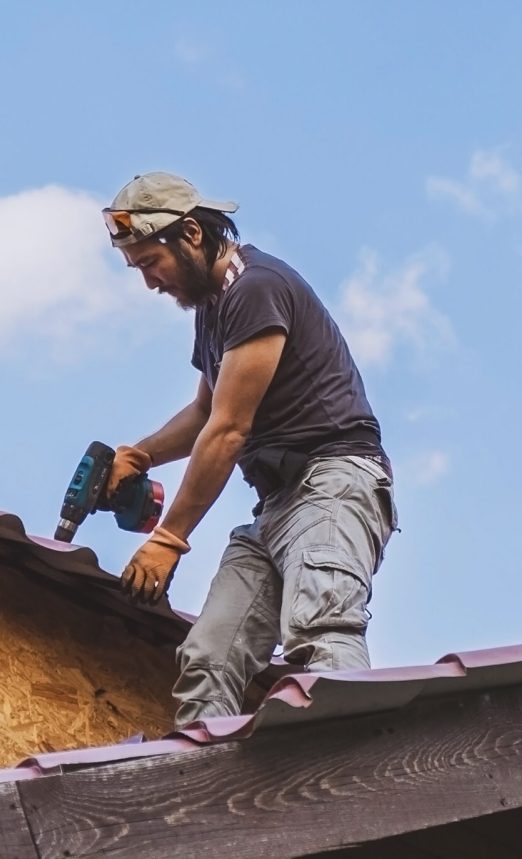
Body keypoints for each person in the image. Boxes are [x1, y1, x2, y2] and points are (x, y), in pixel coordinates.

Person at [102, 171, 397, 724]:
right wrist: (138, 456)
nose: (149, 283)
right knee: (208, 657)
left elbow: (228, 429)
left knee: (321, 632)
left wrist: (169, 537)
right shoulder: (216, 307)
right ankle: (209, 794)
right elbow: (203, 413)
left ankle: (357, 787)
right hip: (278, 506)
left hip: (332, 483)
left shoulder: (255, 288)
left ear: (190, 233)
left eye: (149, 264)